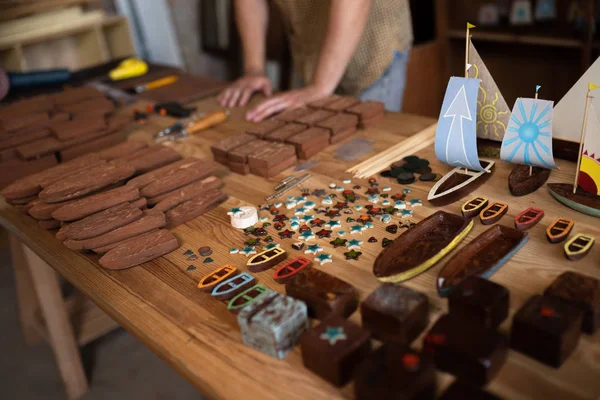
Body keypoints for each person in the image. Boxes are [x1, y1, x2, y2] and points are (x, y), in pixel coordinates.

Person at [218, 0, 413, 122]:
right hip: (309, 46)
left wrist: (319, 86)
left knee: (368, 153)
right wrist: (254, 68)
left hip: (372, 48)